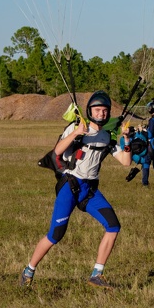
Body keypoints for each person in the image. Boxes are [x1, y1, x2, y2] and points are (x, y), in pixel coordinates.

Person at [20, 91, 133, 289]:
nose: (102, 114)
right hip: (70, 186)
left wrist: (127, 140)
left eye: (105, 111)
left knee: (113, 226)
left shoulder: (107, 136)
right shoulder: (76, 128)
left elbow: (125, 161)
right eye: (97, 110)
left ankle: (96, 274)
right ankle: (28, 271)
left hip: (89, 190)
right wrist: (76, 133)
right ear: (90, 111)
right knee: (56, 235)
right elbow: (56, 151)